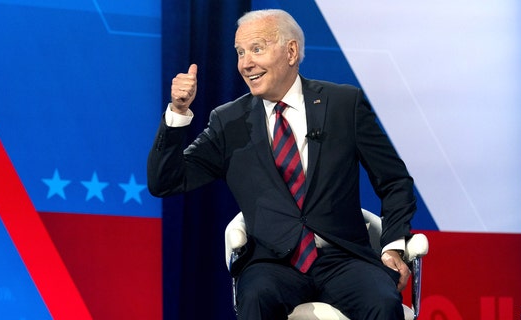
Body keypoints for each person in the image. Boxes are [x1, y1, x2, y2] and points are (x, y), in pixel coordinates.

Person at [148, 8, 416, 320]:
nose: (246, 63)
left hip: (344, 258)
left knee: (383, 301)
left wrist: (393, 245)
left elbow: (395, 180)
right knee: (257, 297)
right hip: (273, 263)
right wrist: (178, 112)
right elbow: (164, 181)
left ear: (290, 52)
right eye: (240, 52)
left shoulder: (343, 104)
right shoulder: (229, 121)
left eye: (257, 49)